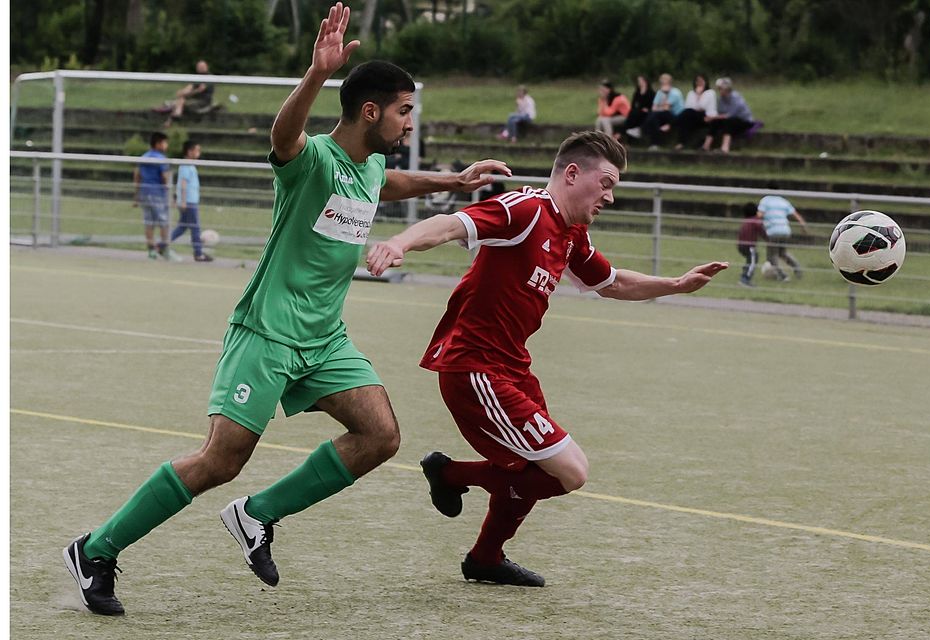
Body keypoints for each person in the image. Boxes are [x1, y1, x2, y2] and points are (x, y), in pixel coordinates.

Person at [62, 3, 510, 616]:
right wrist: (317, 74)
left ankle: (258, 514)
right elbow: (284, 135)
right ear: (371, 111)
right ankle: (96, 548)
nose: (410, 121)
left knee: (380, 436)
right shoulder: (311, 162)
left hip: (324, 339)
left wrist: (452, 182)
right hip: (267, 332)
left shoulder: (371, 163)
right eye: (405, 110)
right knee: (221, 459)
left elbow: (390, 181)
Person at [366, 131, 727, 586]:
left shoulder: (572, 232)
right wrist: (399, 243)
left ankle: (484, 557)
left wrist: (675, 285)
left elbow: (612, 283)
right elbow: (451, 224)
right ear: (573, 174)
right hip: (475, 368)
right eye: (607, 183)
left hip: (512, 367)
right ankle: (452, 474)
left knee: (534, 466)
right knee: (569, 471)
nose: (610, 197)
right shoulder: (527, 209)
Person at [170, 140, 213, 262]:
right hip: (189, 202)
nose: (198, 153)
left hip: (190, 201)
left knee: (182, 227)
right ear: (189, 151)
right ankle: (198, 254)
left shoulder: (190, 165)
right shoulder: (185, 165)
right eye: (197, 150)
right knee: (195, 228)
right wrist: (182, 201)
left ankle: (162, 244)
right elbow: (182, 184)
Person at [133, 131, 173, 260]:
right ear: (158, 144)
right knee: (164, 222)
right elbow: (165, 177)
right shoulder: (161, 159)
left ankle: (151, 249)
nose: (166, 145)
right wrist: (169, 193)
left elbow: (137, 175)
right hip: (158, 193)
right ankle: (164, 248)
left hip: (145, 192)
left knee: (149, 222)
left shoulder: (144, 156)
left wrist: (137, 194)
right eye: (165, 143)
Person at [758, 190, 807, 281]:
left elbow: (760, 215)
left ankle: (782, 276)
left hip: (773, 231)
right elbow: (796, 215)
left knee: (771, 256)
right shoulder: (783, 200)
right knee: (782, 253)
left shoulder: (765, 200)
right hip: (785, 231)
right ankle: (797, 267)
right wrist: (803, 226)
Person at [702, 77, 755, 153]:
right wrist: (713, 118)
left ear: (726, 88)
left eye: (720, 88)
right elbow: (720, 113)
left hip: (744, 121)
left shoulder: (735, 97)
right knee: (715, 122)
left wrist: (712, 117)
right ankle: (706, 146)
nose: (719, 90)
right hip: (731, 120)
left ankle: (725, 148)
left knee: (728, 121)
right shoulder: (721, 99)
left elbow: (730, 115)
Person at [162, 60, 215, 126]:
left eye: (202, 66)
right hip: (193, 101)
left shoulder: (209, 78)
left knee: (179, 101)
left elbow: (199, 90)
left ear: (206, 67)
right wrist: (182, 92)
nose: (200, 68)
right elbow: (188, 89)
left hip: (203, 102)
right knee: (180, 100)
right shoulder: (197, 78)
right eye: (199, 66)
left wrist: (186, 94)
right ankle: (175, 115)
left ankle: (172, 119)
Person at [673, 74, 716, 150]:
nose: (699, 83)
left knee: (687, 114)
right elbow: (688, 106)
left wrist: (698, 95)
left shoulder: (710, 93)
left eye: (701, 81)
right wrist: (696, 97)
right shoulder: (691, 93)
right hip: (692, 115)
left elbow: (702, 106)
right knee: (685, 118)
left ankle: (672, 123)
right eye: (697, 81)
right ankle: (681, 143)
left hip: (706, 117)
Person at [641, 73, 684, 149]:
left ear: (670, 83)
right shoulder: (659, 92)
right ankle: (654, 143)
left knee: (654, 115)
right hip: (663, 114)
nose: (663, 85)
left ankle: (644, 130)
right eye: (662, 83)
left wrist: (665, 94)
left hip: (676, 116)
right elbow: (654, 108)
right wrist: (660, 106)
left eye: (665, 83)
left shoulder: (675, 93)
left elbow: (666, 108)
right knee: (653, 116)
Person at [737, 202, 765, 287]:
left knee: (750, 260)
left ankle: (745, 272)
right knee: (753, 260)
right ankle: (745, 279)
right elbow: (762, 231)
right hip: (749, 246)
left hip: (741, 245)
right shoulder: (755, 221)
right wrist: (768, 239)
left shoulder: (746, 221)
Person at [621, 74, 655, 141]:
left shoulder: (651, 93)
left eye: (640, 81)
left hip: (647, 112)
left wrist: (648, 109)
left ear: (645, 81)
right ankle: (626, 134)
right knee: (633, 114)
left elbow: (653, 104)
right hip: (638, 111)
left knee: (635, 115)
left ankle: (622, 133)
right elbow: (633, 104)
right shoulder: (637, 92)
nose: (639, 82)